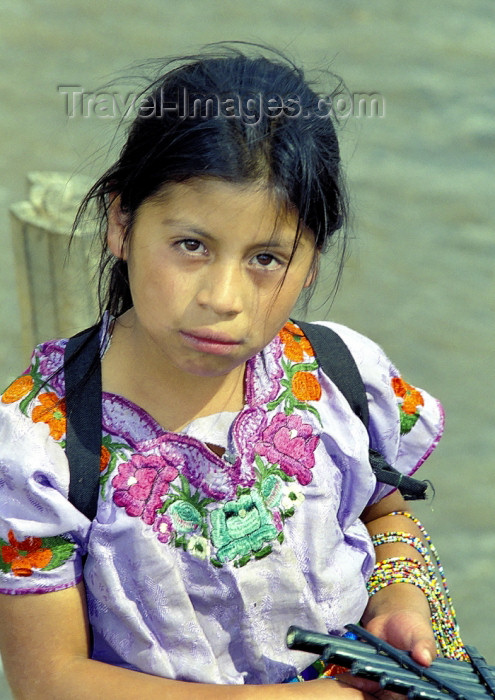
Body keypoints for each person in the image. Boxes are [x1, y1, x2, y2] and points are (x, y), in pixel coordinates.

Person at [0, 45, 465, 699]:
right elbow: (49, 681)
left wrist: (399, 601)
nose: (223, 297)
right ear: (120, 222)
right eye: (191, 245)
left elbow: (383, 515)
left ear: (310, 260)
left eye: (266, 258)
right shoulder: (38, 446)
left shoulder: (336, 376)